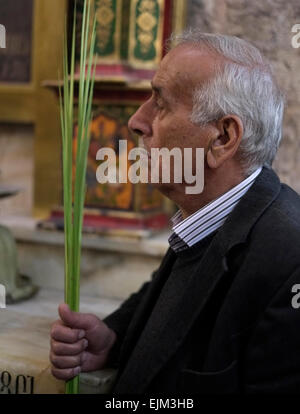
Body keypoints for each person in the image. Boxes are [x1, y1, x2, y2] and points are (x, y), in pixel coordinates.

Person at [50, 31, 300, 394]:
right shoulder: (209, 214)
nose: (137, 121)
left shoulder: (287, 261)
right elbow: (172, 296)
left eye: (160, 104)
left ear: (223, 138)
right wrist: (114, 338)